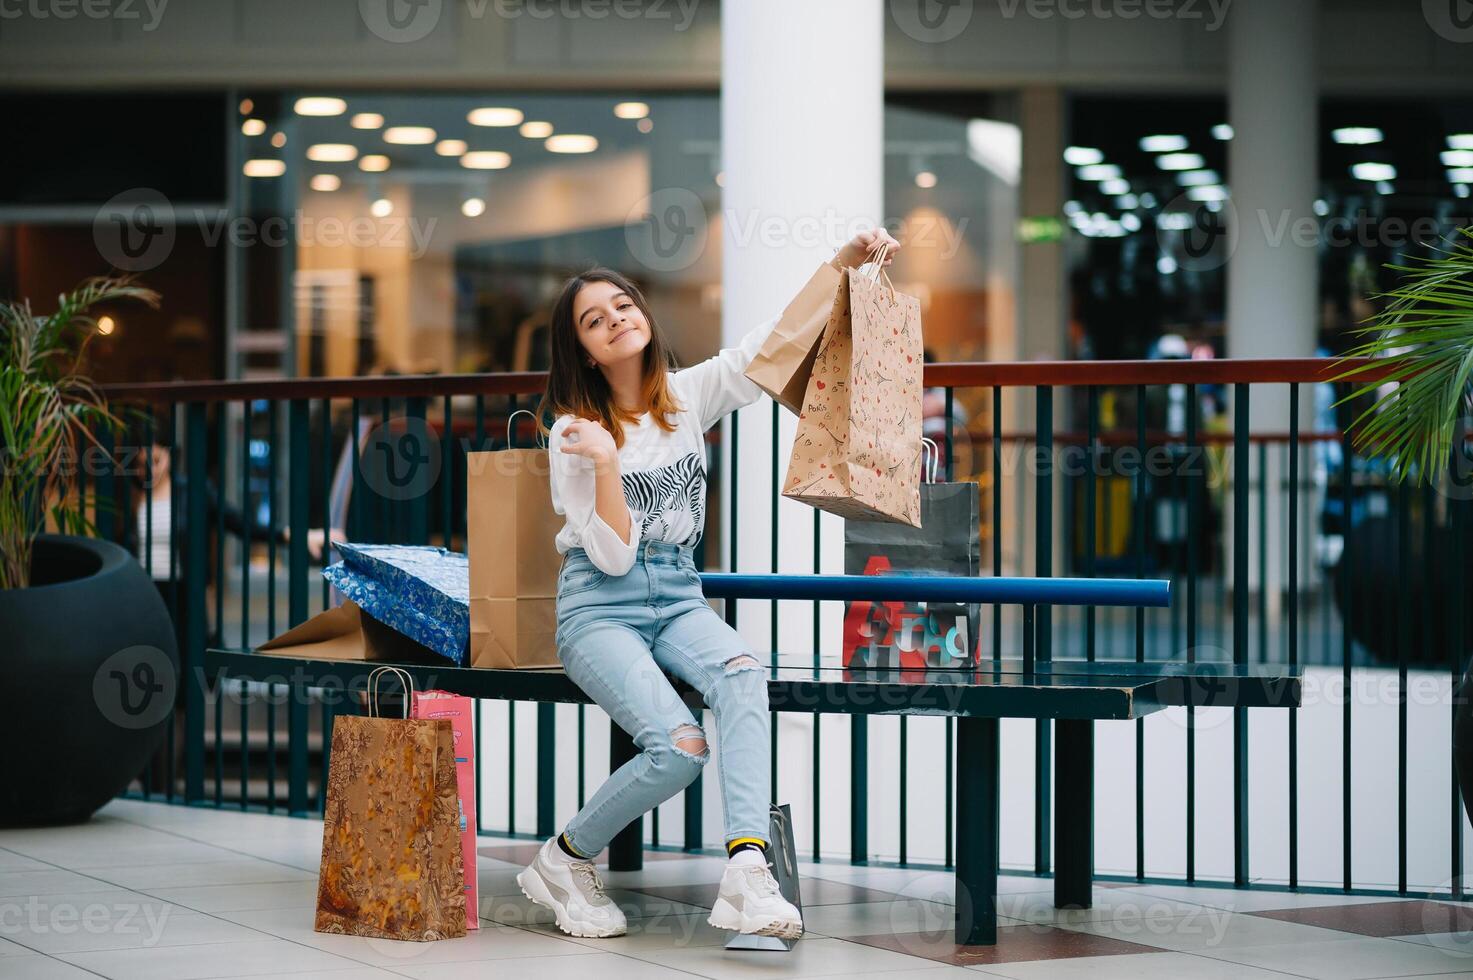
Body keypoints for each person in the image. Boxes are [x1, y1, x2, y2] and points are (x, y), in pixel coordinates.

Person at [516, 229, 901, 940]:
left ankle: (747, 874)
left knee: (743, 677)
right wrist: (605, 463)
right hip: (600, 610)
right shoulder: (573, 430)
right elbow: (606, 557)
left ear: (645, 316)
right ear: (583, 350)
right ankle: (563, 858)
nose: (615, 320)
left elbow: (770, 345)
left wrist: (840, 267)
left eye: (622, 305)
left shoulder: (687, 399)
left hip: (677, 596)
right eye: (594, 320)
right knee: (678, 749)